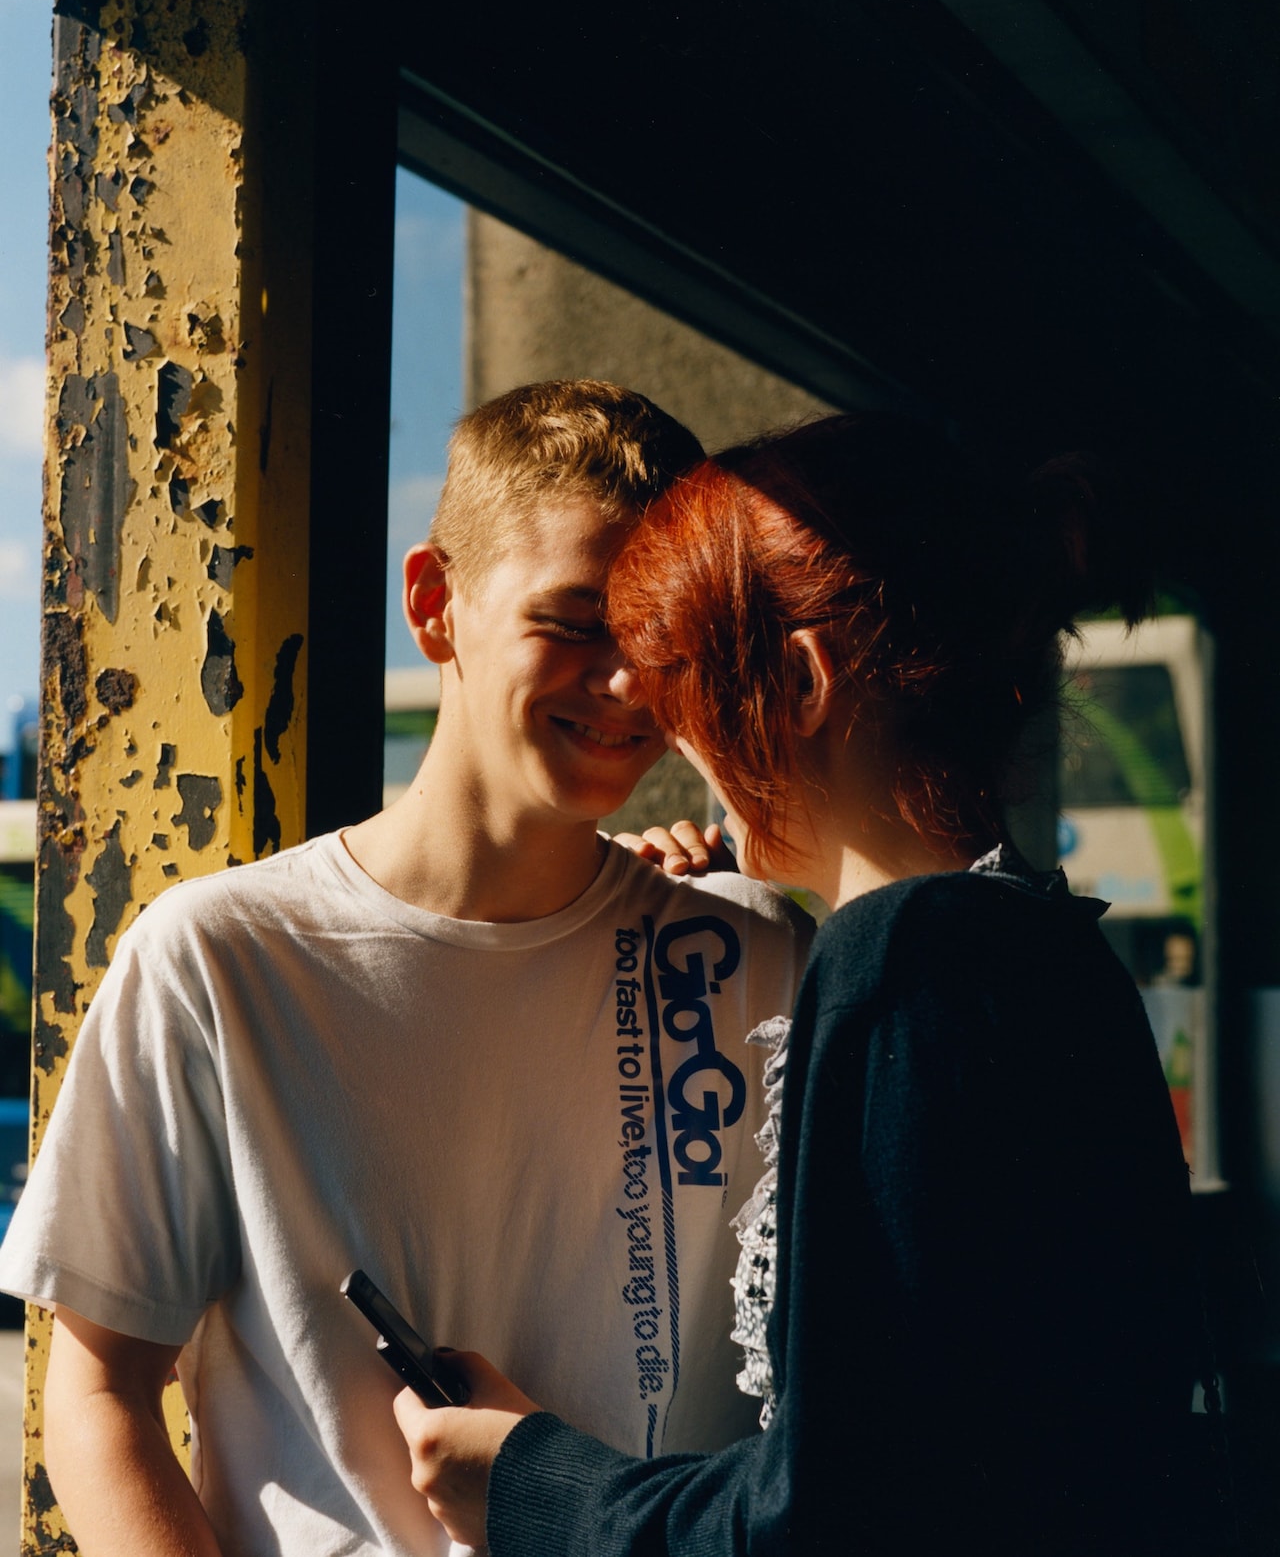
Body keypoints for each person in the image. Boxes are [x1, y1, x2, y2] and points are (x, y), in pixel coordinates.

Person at [0, 380, 812, 1557]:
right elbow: (98, 1392)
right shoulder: (218, 957)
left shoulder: (753, 958)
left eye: (663, 639)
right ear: (434, 603)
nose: (628, 682)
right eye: (573, 623)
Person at [394, 413, 1202, 1556]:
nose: (672, 736)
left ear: (797, 679)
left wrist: (532, 1483)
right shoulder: (1050, 950)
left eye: (686, 683)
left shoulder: (897, 967)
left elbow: (828, 1513)